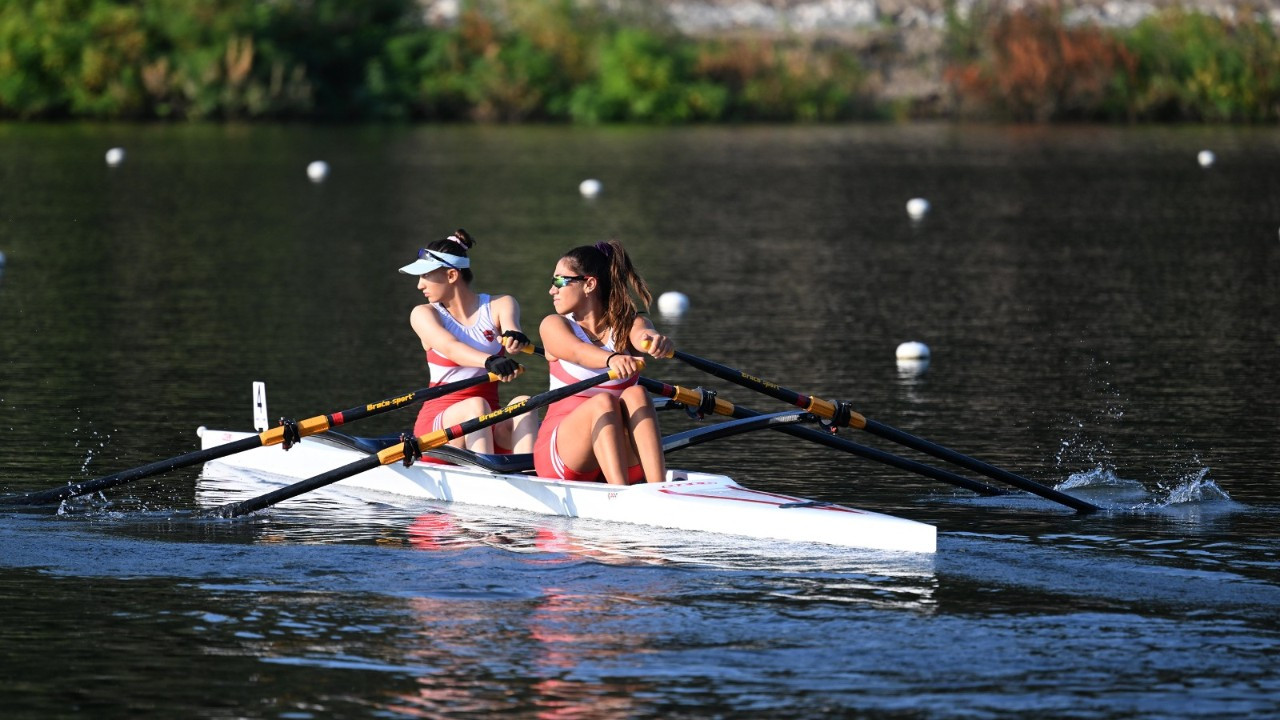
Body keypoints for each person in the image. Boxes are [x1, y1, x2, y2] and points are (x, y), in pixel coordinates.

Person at [534, 239, 673, 485]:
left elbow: (643, 336)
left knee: (637, 394)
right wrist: (612, 358)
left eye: (559, 281)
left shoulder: (628, 324)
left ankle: (658, 488)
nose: (552, 290)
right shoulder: (554, 325)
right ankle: (618, 495)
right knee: (603, 402)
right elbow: (577, 352)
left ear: (589, 284)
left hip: (618, 454)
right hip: (563, 458)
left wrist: (655, 342)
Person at [399, 229, 536, 460]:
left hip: (486, 425)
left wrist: (515, 340)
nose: (419, 285)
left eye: (425, 276)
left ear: (452, 275)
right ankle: (485, 481)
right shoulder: (423, 314)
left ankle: (533, 477)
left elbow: (512, 331)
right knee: (476, 405)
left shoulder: (500, 304)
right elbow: (451, 347)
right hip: (438, 430)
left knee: (525, 403)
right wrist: (490, 360)